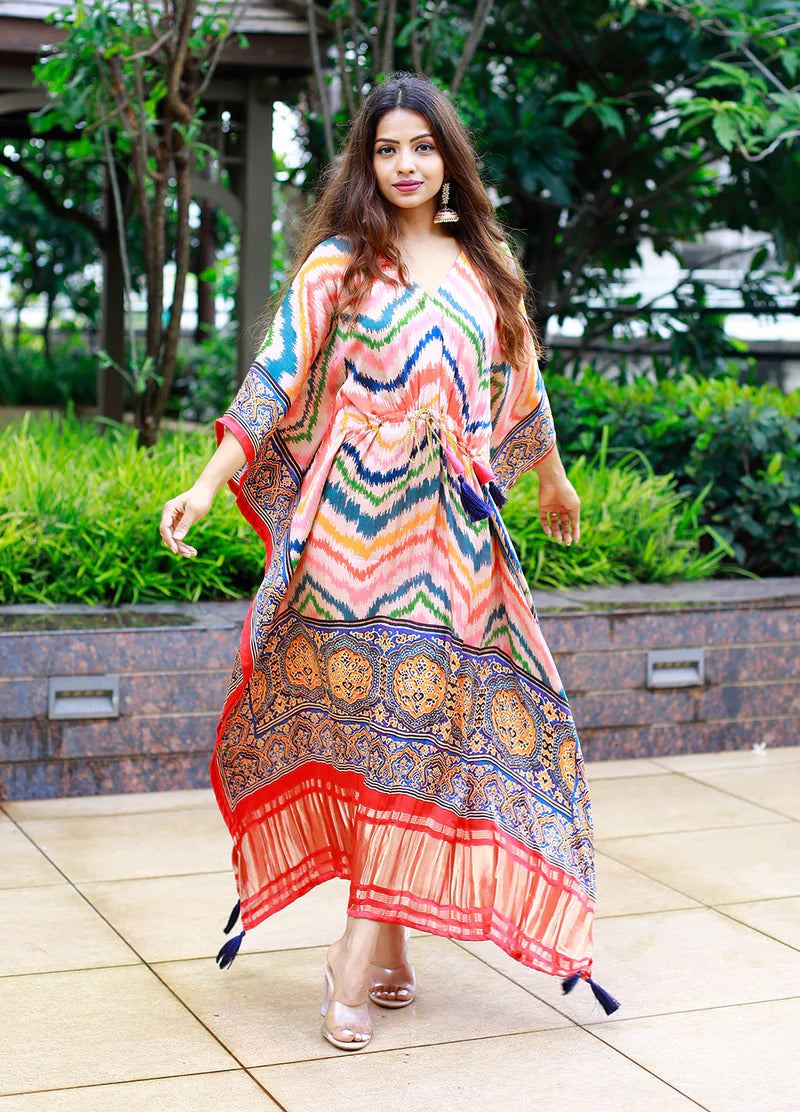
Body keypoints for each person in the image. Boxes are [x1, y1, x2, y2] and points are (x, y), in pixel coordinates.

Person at [159, 72, 618, 1053]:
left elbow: (521, 377)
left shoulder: (486, 261)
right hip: (350, 531)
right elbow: (274, 378)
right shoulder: (339, 262)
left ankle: (364, 948)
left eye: (422, 146)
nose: (406, 164)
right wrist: (203, 484)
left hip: (452, 530)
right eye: (386, 148)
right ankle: (371, 947)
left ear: (448, 158)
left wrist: (552, 478)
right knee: (381, 732)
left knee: (416, 729)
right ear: (365, 163)